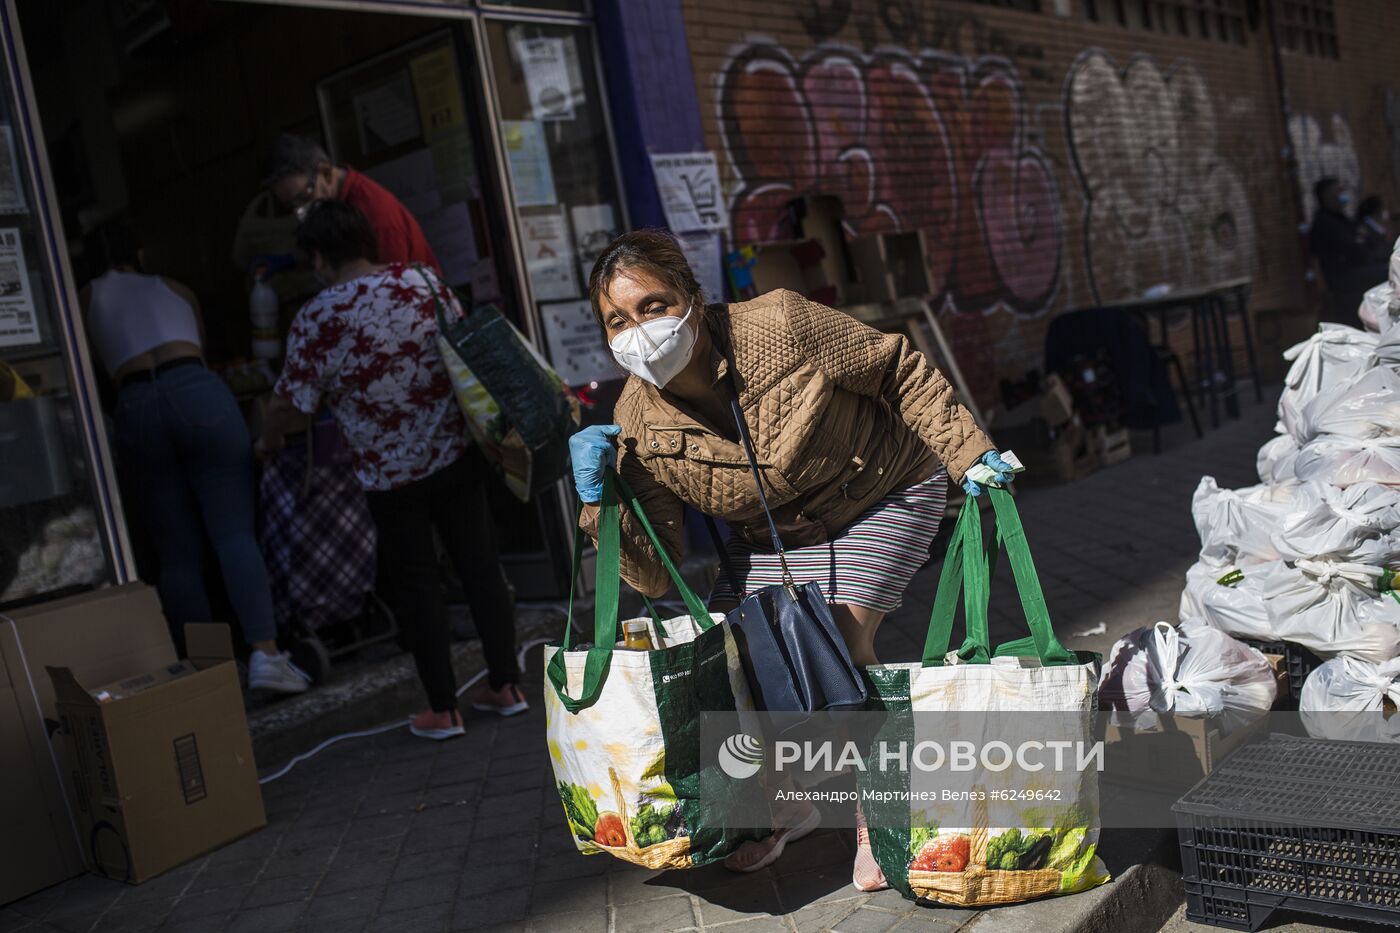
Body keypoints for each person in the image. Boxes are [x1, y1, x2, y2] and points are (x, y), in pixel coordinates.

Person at [567, 230, 1014, 887]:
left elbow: (894, 366)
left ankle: (884, 817)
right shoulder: (637, 419)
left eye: (654, 305)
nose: (640, 329)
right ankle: (778, 805)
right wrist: (600, 500)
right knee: (726, 668)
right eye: (618, 320)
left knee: (837, 636)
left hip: (879, 488)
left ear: (693, 297)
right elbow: (655, 572)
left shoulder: (778, 323)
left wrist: (968, 451)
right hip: (769, 536)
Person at [257, 199, 523, 739]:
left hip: (388, 474)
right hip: (453, 450)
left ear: (319, 258)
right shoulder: (422, 282)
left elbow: (293, 404)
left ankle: (444, 710)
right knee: (480, 568)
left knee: (417, 584)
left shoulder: (318, 315)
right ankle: (507, 685)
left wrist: (266, 437)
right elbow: (463, 346)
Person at [80, 221, 308, 694]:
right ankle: (266, 655)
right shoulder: (174, 287)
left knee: (176, 555)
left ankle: (213, 672)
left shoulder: (82, 297)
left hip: (136, 403)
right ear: (138, 252)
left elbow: (89, 368)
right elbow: (197, 346)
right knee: (233, 533)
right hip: (195, 389)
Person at [263, 133, 440, 270]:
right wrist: (291, 261)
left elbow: (394, 298)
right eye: (290, 205)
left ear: (325, 173)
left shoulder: (376, 220)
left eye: (304, 196)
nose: (300, 210)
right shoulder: (331, 209)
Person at [1309, 177, 1386, 323]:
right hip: (1345, 276)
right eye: (1338, 190)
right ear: (1326, 195)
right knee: (1389, 271)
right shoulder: (1323, 223)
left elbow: (1363, 240)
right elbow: (1352, 246)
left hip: (1361, 267)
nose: (1343, 193)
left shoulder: (1341, 218)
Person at [1357, 194, 1394, 264]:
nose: (1386, 211)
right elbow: (1372, 254)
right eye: (1383, 207)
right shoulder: (1364, 229)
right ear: (1376, 210)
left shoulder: (1378, 229)